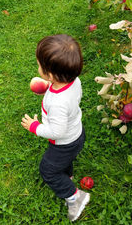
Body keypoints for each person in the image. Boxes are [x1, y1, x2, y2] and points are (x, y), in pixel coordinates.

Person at [21, 34, 90, 222]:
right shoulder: (73, 81)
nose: (37, 68)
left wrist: (34, 126)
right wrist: (50, 87)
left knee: (48, 170)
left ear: (51, 75)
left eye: (39, 65)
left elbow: (56, 131)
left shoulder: (57, 104)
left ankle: (75, 196)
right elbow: (65, 96)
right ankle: (67, 175)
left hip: (64, 142)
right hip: (76, 134)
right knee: (64, 161)